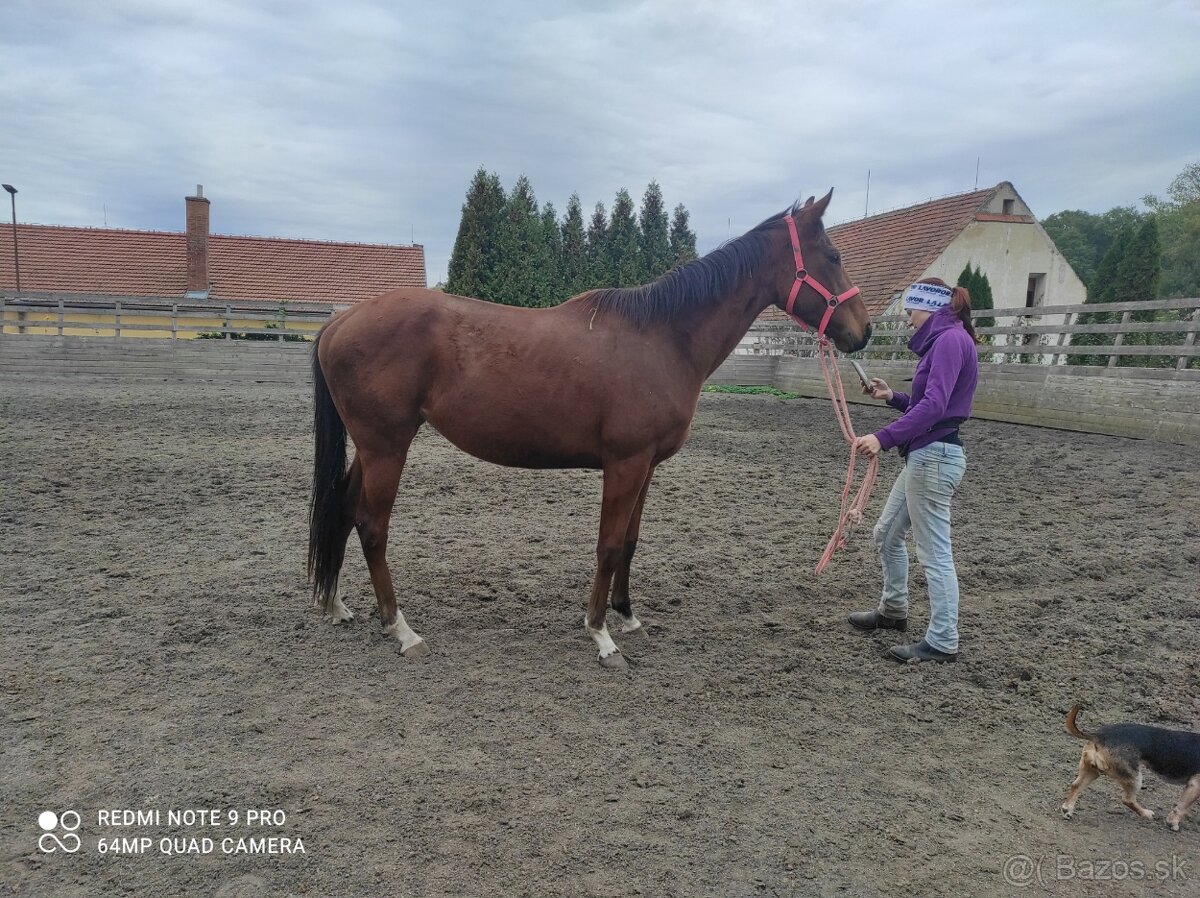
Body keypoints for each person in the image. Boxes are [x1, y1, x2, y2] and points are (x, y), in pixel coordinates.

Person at [848, 278, 980, 663]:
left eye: (910, 310)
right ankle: (893, 611)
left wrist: (883, 437)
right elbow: (928, 403)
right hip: (927, 455)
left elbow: (936, 407)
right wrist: (893, 397)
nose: (907, 318)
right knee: (886, 535)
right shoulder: (947, 341)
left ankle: (942, 640)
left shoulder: (950, 342)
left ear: (930, 307)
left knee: (935, 553)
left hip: (933, 458)